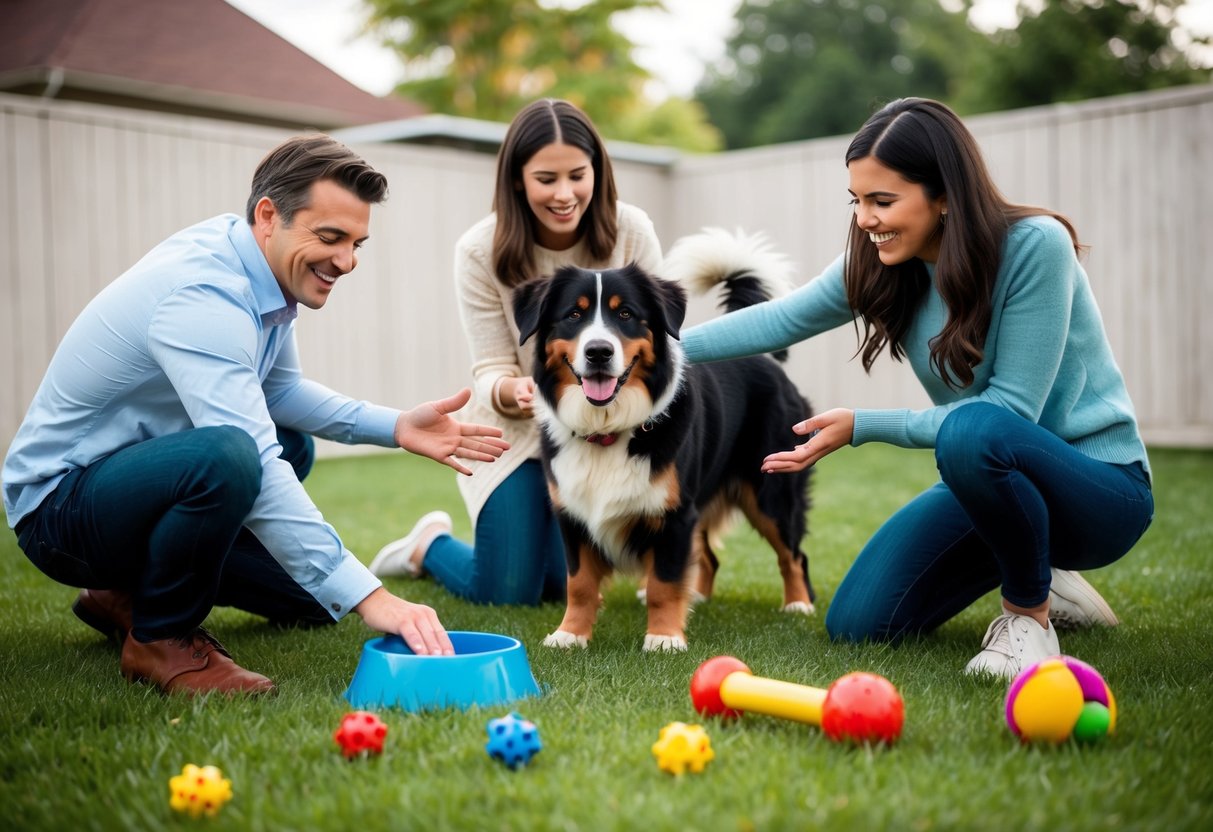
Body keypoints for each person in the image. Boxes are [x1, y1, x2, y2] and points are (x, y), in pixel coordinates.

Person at [2, 134, 510, 696]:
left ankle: (121, 592)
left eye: (357, 242)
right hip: (59, 511)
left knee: (313, 589)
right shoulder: (205, 294)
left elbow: (280, 391)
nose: (346, 261)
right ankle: (159, 636)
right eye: (331, 238)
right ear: (269, 216)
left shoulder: (258, 266)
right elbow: (255, 460)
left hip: (129, 486)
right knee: (233, 456)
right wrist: (375, 598)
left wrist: (395, 426)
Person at [677, 98, 1153, 678]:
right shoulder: (879, 259)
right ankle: (1045, 571)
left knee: (974, 429)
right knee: (859, 623)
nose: (865, 219)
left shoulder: (1034, 246)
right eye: (857, 201)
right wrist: (663, 353)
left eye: (882, 201)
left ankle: (1028, 619)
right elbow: (782, 319)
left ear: (945, 194)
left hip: (1100, 492)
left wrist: (865, 425)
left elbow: (1011, 411)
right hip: (994, 481)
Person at [369, 99, 663, 605]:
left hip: (608, 431)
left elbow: (658, 341)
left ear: (598, 171)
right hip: (517, 434)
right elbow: (490, 367)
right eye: (546, 178)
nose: (565, 194)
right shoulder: (480, 251)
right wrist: (512, 390)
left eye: (578, 174)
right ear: (518, 181)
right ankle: (428, 546)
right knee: (507, 589)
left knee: (553, 584)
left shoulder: (630, 230)